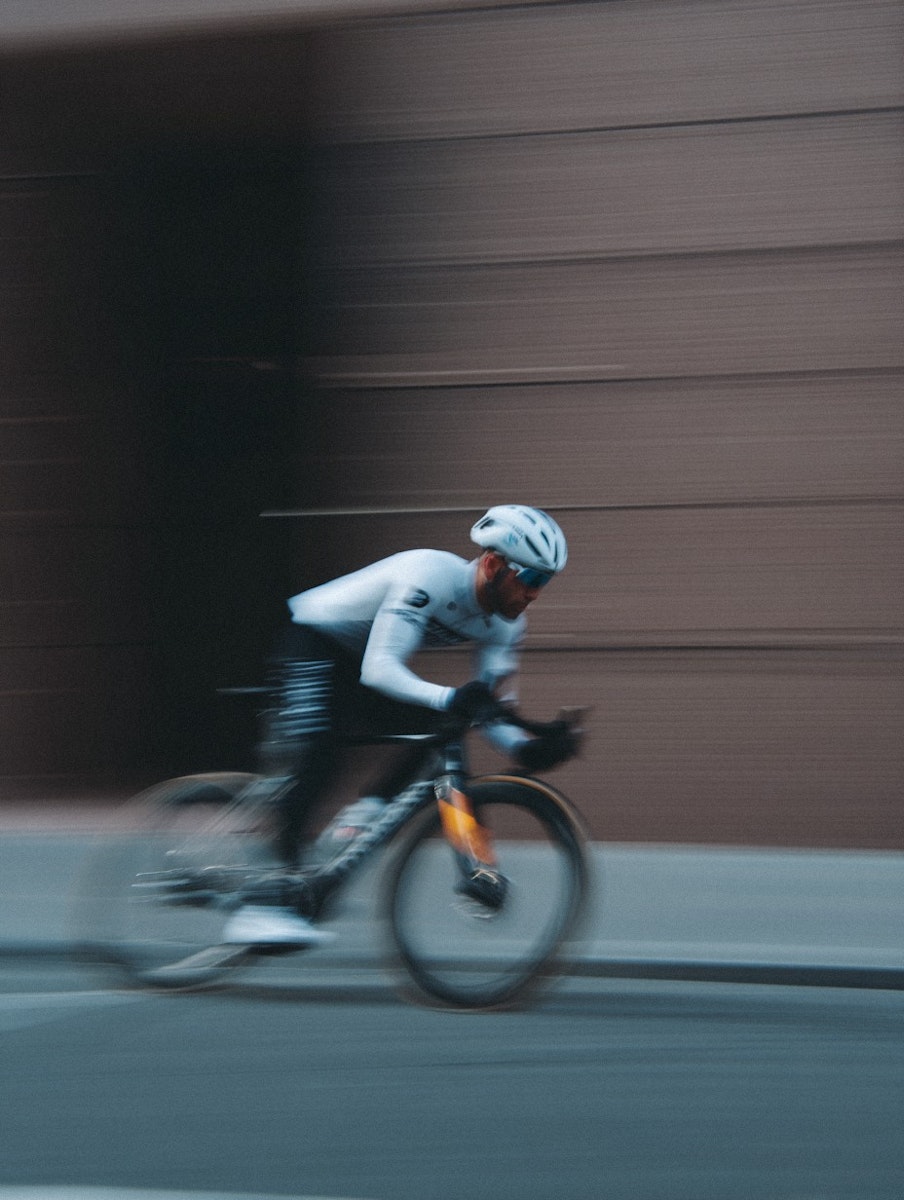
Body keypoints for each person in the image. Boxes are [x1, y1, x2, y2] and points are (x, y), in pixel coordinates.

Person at [223, 504, 578, 946]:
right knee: (320, 755)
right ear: (492, 564)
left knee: (443, 728)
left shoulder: (506, 626)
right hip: (312, 642)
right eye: (532, 579)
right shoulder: (429, 575)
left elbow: (489, 709)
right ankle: (264, 906)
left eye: (545, 583)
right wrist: (454, 698)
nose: (535, 595)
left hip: (354, 665)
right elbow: (380, 669)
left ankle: (368, 813)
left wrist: (528, 750)